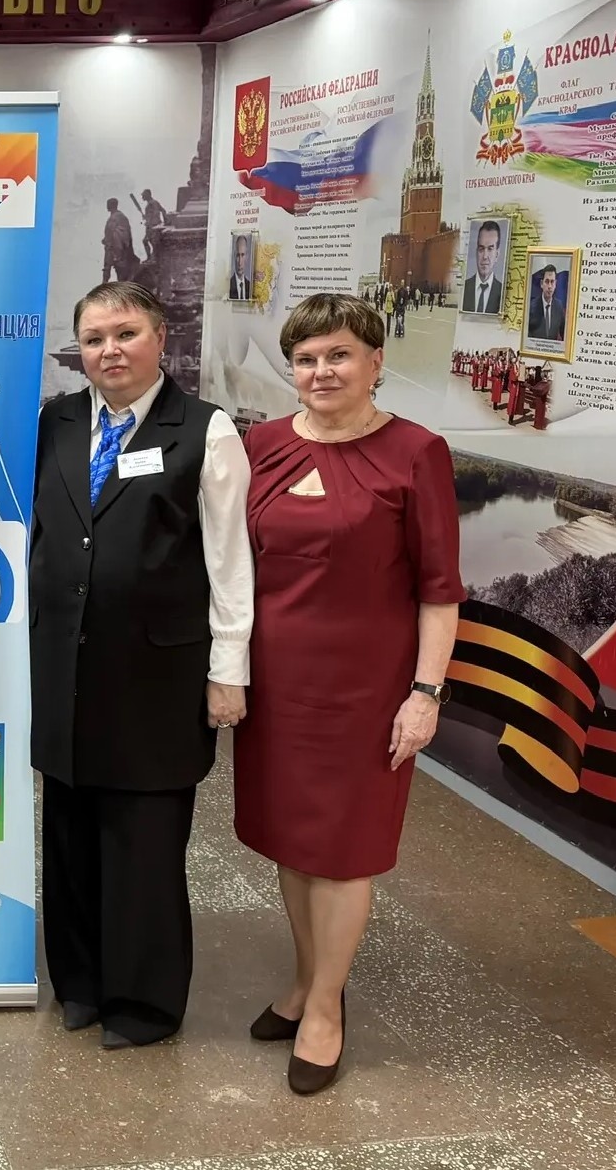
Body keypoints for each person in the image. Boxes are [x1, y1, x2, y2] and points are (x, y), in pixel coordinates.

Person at [236, 293, 462, 1096]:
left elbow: (439, 590)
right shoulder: (262, 444)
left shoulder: (415, 452)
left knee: (343, 850)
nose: (320, 371)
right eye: (304, 358)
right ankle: (304, 978)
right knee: (292, 840)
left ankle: (326, 1007)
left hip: (365, 688)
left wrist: (424, 692)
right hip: (275, 682)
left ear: (374, 362)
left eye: (337, 355)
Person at [30, 280, 254, 1049]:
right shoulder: (55, 422)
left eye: (124, 333)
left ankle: (144, 1002)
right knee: (69, 837)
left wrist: (228, 668)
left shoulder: (204, 429)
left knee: (143, 844)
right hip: (63, 669)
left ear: (160, 336)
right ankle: (80, 984)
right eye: (93, 338)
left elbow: (230, 559)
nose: (109, 350)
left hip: (156, 675)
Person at [462, 221, 504, 315]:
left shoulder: (503, 292)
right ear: (476, 252)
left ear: (497, 255)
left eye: (490, 249)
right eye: (481, 249)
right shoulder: (464, 288)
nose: (485, 256)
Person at [528, 265, 568, 341]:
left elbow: (564, 335)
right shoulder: (531, 307)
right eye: (547, 282)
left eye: (552, 282)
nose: (549, 286)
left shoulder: (559, 306)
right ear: (541, 283)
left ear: (555, 284)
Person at [102, 198, 137, 282]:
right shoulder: (118, 216)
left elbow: (119, 232)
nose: (107, 206)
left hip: (116, 247)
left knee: (115, 268)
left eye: (108, 204)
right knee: (111, 268)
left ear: (112, 205)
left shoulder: (117, 217)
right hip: (114, 246)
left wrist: (109, 240)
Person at [228, 235, 254, 301]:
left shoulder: (250, 287)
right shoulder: (228, 285)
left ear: (247, 257)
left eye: (242, 255)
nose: (240, 262)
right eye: (237, 255)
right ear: (234, 256)